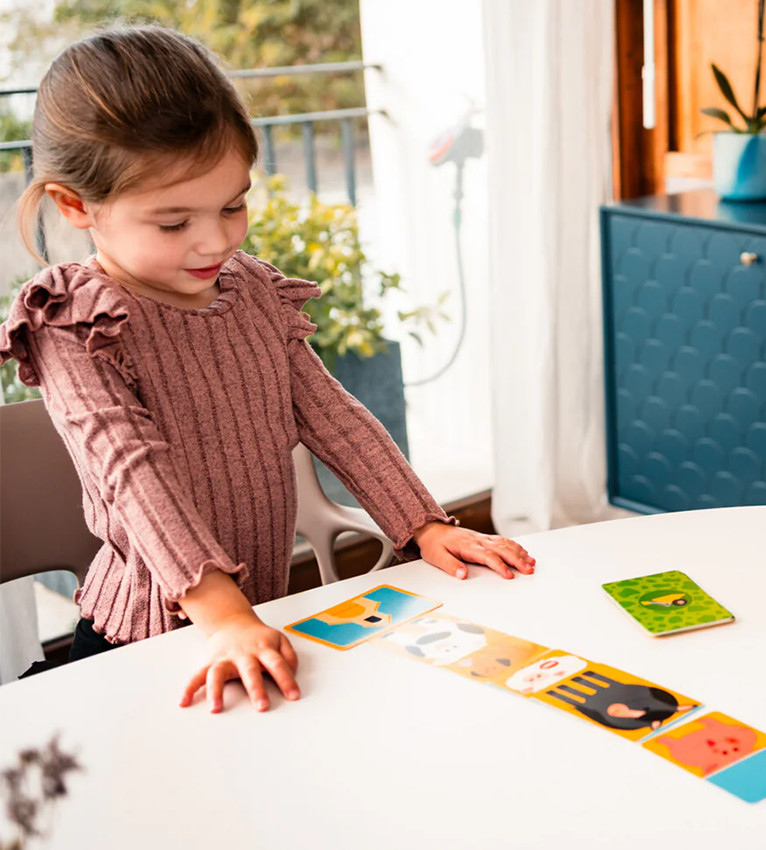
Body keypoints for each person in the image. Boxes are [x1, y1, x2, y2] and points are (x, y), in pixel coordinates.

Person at [0, 26, 535, 714]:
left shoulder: (250, 290)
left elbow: (334, 415)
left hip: (258, 618)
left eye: (233, 205)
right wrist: (220, 612)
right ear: (77, 206)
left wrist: (425, 525)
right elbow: (132, 474)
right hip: (144, 642)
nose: (217, 239)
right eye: (173, 223)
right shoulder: (74, 321)